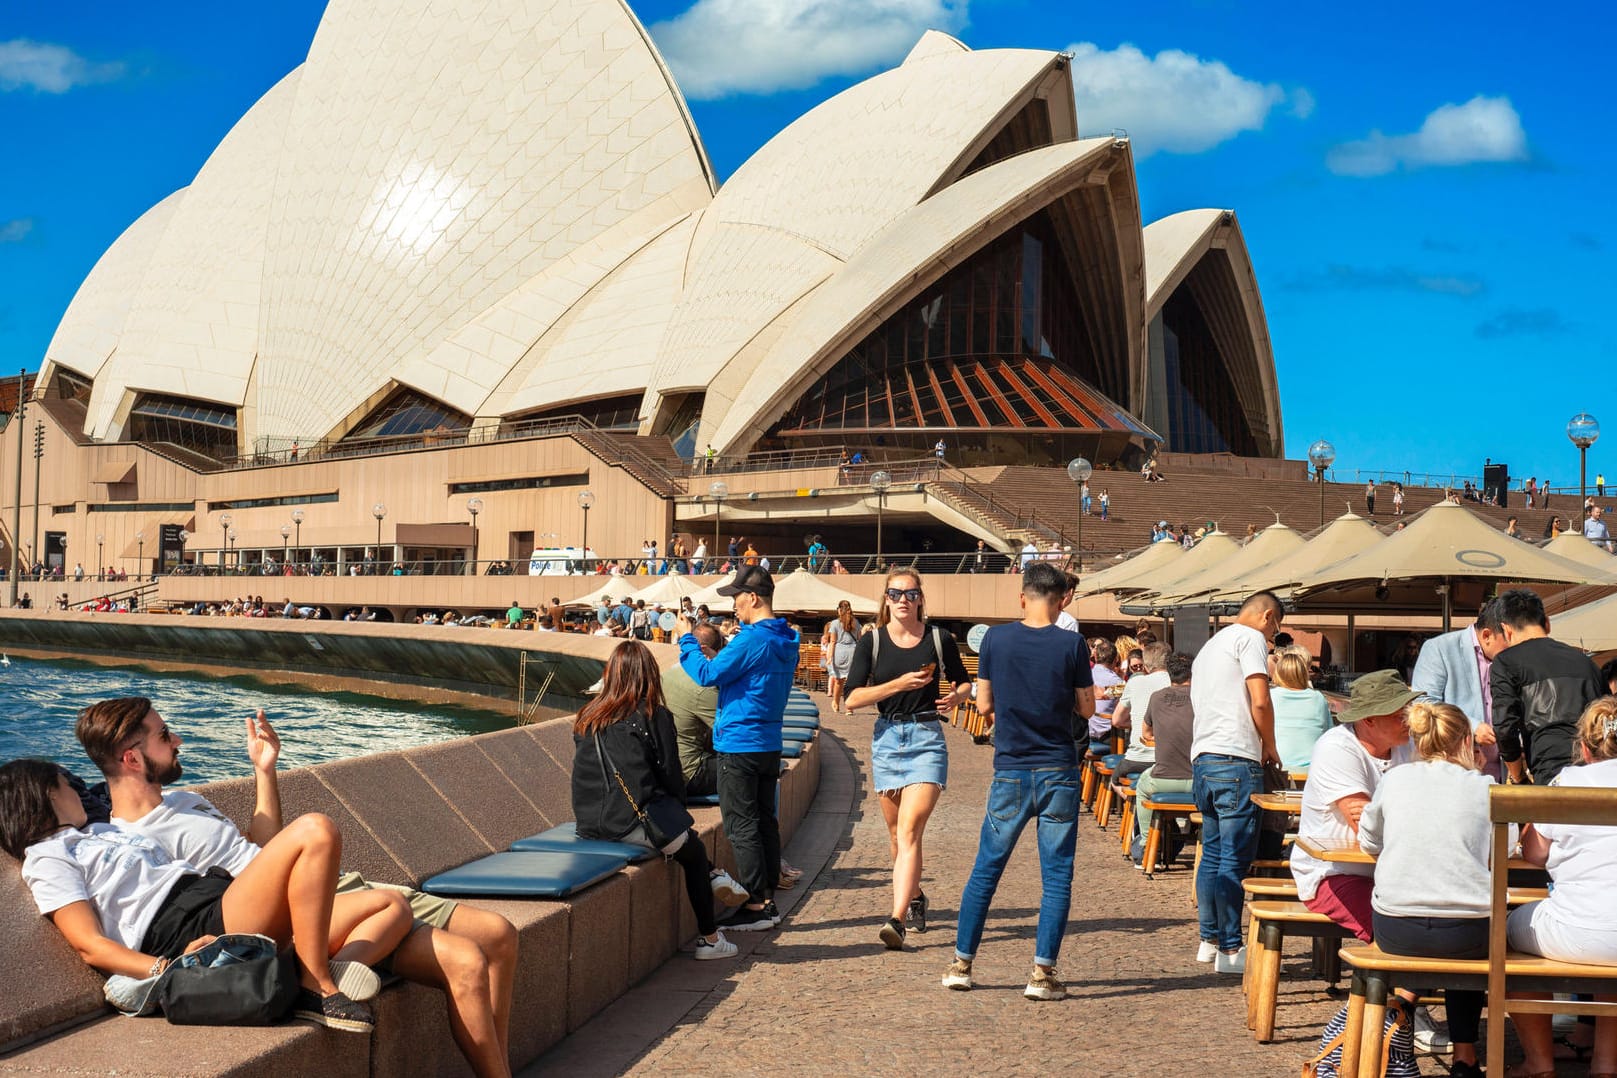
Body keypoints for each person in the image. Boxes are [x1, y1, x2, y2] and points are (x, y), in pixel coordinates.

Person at [78, 699, 518, 1075]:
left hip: (327, 887)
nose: (177, 741)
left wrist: (264, 770)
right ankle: (314, 979)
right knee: (465, 960)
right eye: (164, 735)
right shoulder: (135, 838)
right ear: (132, 759)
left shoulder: (184, 799)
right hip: (298, 912)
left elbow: (260, 851)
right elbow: (220, 904)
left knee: (499, 935)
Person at [4, 754, 413, 1034]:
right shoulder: (47, 857)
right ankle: (318, 985)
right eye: (67, 786)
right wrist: (169, 967)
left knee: (391, 906)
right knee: (315, 830)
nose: (79, 793)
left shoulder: (102, 830)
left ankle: (294, 980)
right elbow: (89, 944)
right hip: (183, 926)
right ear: (48, 795)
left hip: (215, 900)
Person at [942, 561, 1094, 1000]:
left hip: (1010, 768)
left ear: (1022, 596)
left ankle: (961, 964)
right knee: (1057, 875)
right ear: (1062, 598)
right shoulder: (1073, 644)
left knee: (986, 869)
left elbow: (985, 705)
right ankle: (1042, 974)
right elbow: (1086, 709)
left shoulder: (995, 638)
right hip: (1058, 770)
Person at [571, 641, 747, 963]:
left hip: (588, 823)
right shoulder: (653, 714)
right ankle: (709, 938)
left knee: (682, 842)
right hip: (630, 822)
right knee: (691, 852)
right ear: (650, 675)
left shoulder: (588, 715)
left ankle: (714, 875)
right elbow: (670, 775)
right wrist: (677, 812)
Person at [1358, 701, 1491, 1078]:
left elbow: (1369, 841)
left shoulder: (1395, 779)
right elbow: (1507, 847)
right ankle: (1465, 1056)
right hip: (1466, 931)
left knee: (1438, 918)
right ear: (1467, 741)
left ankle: (1401, 1008)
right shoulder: (1484, 786)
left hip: (1397, 926)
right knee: (1470, 928)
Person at [844, 569, 971, 951]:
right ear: (886, 599)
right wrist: (896, 685)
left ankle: (896, 919)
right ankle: (915, 897)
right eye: (895, 593)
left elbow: (963, 680)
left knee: (910, 830)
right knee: (896, 834)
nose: (903, 600)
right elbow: (851, 698)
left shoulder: (938, 638)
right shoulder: (873, 642)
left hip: (927, 737)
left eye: (910, 594)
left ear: (920, 599)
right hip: (886, 739)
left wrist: (957, 697)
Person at [675, 565, 799, 932]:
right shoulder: (785, 638)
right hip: (768, 743)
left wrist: (686, 640)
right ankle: (767, 899)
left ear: (753, 598)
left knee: (741, 825)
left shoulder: (752, 640)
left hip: (739, 743)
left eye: (736, 597)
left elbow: (707, 674)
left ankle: (758, 904)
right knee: (764, 822)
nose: (733, 605)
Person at [1506, 696, 1617, 1076]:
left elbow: (1534, 854)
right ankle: (1605, 1062)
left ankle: (1539, 1062)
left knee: (1501, 935)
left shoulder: (1567, 781)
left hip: (1576, 929)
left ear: (1584, 747)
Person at [1189, 590, 1284, 973]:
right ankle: (1230, 949)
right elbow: (1259, 699)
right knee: (1233, 858)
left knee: (1211, 854)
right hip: (1236, 758)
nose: (1275, 634)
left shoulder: (1210, 646)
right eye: (1276, 626)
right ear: (1266, 617)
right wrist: (1271, 744)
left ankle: (1209, 941)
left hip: (1204, 758)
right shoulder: (1250, 639)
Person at [1290, 671, 1417, 949]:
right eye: (1399, 715)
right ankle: (1383, 991)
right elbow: (1364, 822)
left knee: (1438, 925)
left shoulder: (1409, 745)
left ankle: (1406, 991)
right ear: (1369, 719)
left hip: (1393, 873)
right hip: (1333, 874)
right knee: (1396, 934)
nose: (1409, 721)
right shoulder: (1336, 747)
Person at [1491, 588, 1604, 786]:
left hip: (1548, 772)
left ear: (1506, 630)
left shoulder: (1506, 662)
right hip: (1594, 773)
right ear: (1547, 623)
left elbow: (1504, 728)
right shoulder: (1585, 662)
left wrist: (1519, 778)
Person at [1411, 600, 1507, 779]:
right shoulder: (1439, 648)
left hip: (1500, 773)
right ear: (1487, 635)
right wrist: (1472, 727)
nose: (1513, 649)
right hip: (1450, 772)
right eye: (1508, 642)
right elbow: (1423, 704)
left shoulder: (1509, 660)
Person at [1130, 652, 1196, 866]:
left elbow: (1146, 733)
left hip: (1164, 776)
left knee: (1141, 785)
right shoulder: (1202, 697)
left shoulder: (1157, 697)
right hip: (1199, 778)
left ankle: (1147, 844)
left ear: (1169, 673)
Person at [664, 624, 723, 798]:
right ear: (705, 651)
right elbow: (733, 730)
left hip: (667, 770)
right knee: (754, 770)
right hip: (690, 773)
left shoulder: (668, 673)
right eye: (720, 651)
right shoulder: (704, 687)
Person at [1112, 642, 1170, 785]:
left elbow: (1117, 720)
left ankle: (1133, 801)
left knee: (1115, 781)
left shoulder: (1135, 682)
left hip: (1137, 759)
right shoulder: (1177, 683)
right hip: (1168, 760)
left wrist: (1140, 723)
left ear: (1146, 664)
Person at [1270, 648, 1333, 771]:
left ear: (1278, 673)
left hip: (1277, 767)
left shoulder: (1270, 696)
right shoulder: (1318, 698)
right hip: (1312, 768)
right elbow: (1328, 734)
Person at [821, 600, 861, 714]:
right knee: (851, 682)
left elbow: (832, 641)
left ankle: (836, 703)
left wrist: (829, 657)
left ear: (839, 609)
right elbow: (860, 639)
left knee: (839, 681)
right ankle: (849, 708)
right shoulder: (856, 622)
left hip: (839, 652)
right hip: (853, 652)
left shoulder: (834, 623)